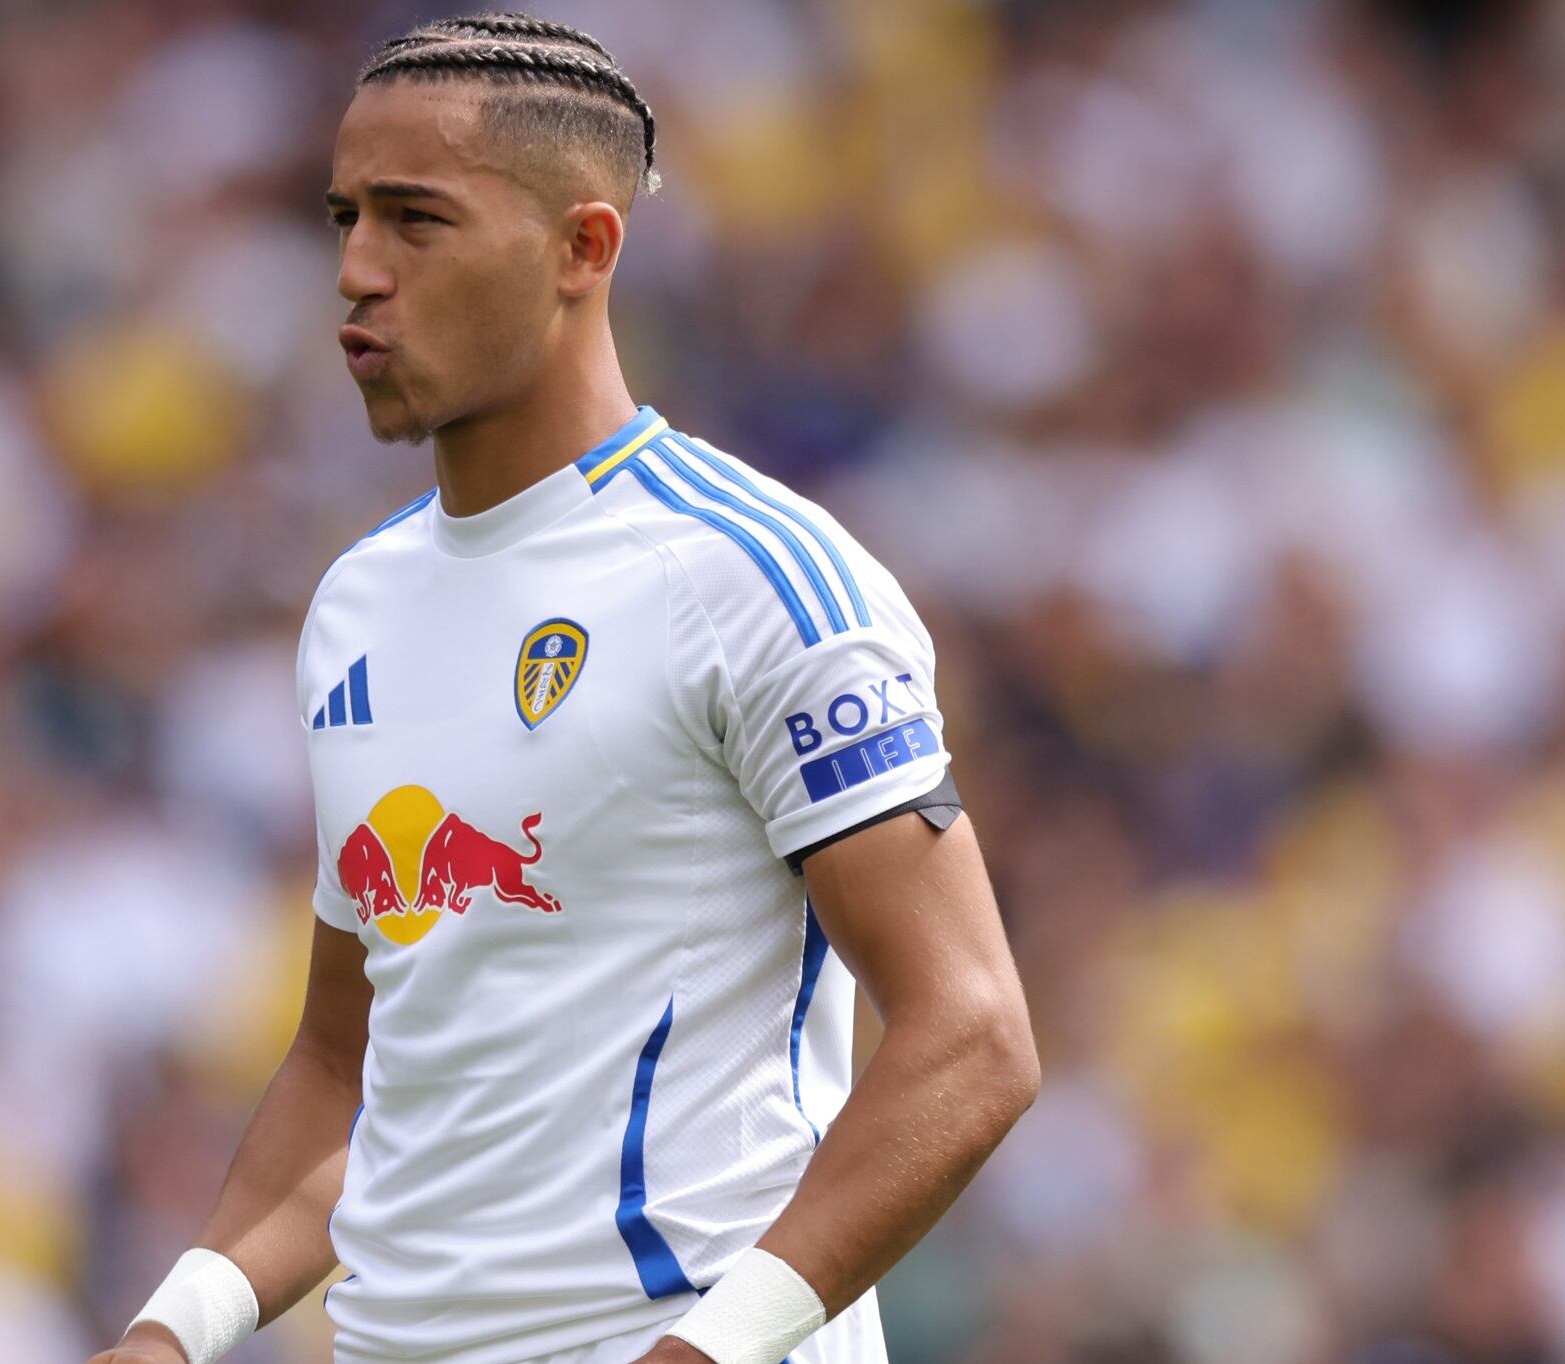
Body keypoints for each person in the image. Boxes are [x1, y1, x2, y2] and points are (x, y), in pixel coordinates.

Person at [91, 14, 1039, 1364]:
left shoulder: (753, 578)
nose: (356, 271)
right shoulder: (355, 606)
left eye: (416, 222)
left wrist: (708, 1353)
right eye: (343, 216)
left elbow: (973, 1037)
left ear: (581, 251)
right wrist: (172, 1330)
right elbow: (347, 1069)